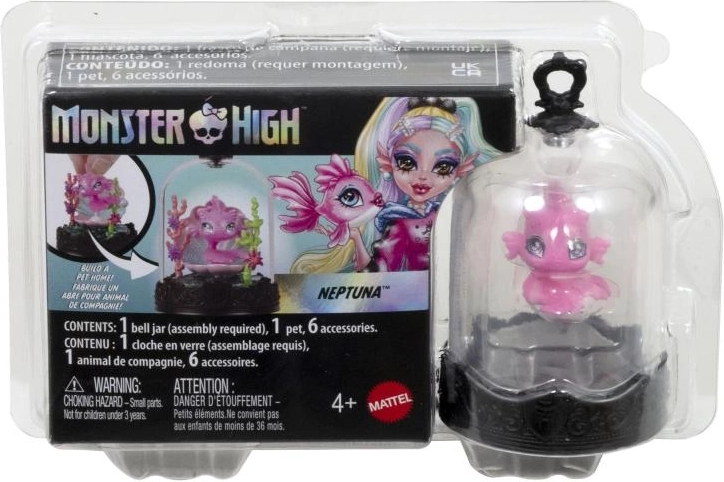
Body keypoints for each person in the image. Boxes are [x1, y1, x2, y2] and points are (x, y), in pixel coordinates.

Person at [290, 96, 497, 273]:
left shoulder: (453, 216)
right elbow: (376, 275)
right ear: (388, 163)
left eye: (443, 167)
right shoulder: (398, 224)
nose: (423, 177)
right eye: (407, 162)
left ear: (459, 171)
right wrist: (357, 239)